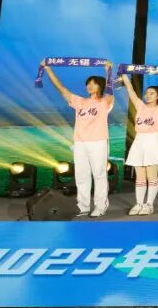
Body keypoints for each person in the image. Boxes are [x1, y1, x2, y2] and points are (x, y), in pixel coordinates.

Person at [40, 60, 114, 217]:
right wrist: (48, 69)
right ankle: (83, 206)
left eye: (93, 83)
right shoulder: (80, 101)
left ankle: (100, 206)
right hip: (80, 142)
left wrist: (108, 71)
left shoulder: (105, 102)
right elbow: (61, 89)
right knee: (81, 175)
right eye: (88, 84)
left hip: (98, 142)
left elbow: (110, 90)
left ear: (100, 86)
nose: (89, 86)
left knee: (99, 175)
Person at [118, 74, 158, 216]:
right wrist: (125, 77)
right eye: (146, 93)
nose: (148, 95)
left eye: (152, 93)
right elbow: (131, 91)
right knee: (140, 177)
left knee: (151, 176)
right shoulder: (140, 106)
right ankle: (139, 204)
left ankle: (149, 204)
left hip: (153, 141)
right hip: (139, 141)